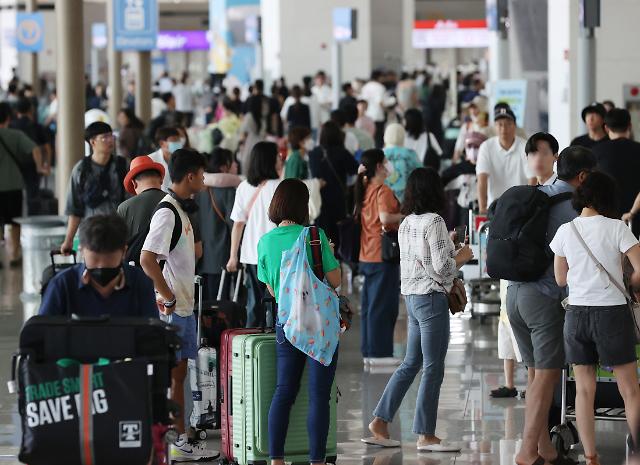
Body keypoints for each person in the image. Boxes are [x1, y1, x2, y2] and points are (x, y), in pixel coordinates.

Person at [364, 167, 473, 451]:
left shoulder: (407, 223)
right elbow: (441, 268)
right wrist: (460, 256)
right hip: (431, 301)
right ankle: (425, 434)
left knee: (411, 363)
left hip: (411, 299)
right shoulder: (434, 220)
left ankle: (380, 420)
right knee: (433, 367)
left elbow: (419, 259)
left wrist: (447, 246)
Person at [508, 141, 597, 465]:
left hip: (515, 294)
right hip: (543, 298)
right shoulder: (572, 206)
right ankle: (526, 451)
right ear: (584, 176)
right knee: (547, 376)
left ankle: (544, 448)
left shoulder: (539, 194)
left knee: (535, 375)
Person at [550, 171, 640, 465]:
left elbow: (561, 278)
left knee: (584, 390)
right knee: (629, 390)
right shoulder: (617, 228)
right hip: (612, 314)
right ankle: (637, 453)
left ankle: (591, 457)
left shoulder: (566, 230)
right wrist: (630, 283)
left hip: (576, 315)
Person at [256, 178, 341, 465]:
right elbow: (335, 280)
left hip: (287, 323)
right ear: (303, 206)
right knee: (319, 396)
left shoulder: (265, 242)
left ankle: (276, 460)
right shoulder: (314, 237)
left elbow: (272, 289)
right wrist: (327, 251)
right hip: (319, 324)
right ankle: (317, 461)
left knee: (284, 391)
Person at [140, 149, 215, 461]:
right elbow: (146, 259)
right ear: (190, 176)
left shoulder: (180, 211)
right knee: (173, 377)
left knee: (178, 377)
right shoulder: (167, 212)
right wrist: (166, 295)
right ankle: (177, 440)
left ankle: (179, 438)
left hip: (183, 308)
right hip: (172, 311)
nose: (203, 179)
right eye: (201, 173)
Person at [40, 214, 158, 318]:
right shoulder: (62, 285)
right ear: (81, 251)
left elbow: (152, 335)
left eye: (109, 259)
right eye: (95, 259)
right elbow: (41, 335)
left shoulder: (141, 283)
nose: (101, 266)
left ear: (124, 252)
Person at [227, 142, 283, 327]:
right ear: (269, 160)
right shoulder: (282, 186)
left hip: (252, 256)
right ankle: (278, 345)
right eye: (277, 156)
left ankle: (253, 348)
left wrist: (233, 257)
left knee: (254, 304)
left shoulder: (244, 187)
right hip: (278, 256)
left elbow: (238, 225)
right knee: (279, 303)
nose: (280, 159)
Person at [356, 149, 404, 365]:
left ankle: (369, 351)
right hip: (382, 256)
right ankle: (380, 354)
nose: (388, 165)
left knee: (370, 306)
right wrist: (405, 215)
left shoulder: (365, 189)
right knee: (383, 307)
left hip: (366, 254)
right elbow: (385, 217)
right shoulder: (382, 191)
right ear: (378, 166)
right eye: (385, 161)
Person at [60, 122, 128, 254]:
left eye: (111, 136)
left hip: (117, 230)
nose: (110, 141)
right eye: (105, 137)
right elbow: (75, 209)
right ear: (92, 142)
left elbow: (131, 202)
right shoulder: (81, 170)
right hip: (91, 232)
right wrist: (68, 240)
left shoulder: (122, 166)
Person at [0, 101, 45, 265]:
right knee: (14, 222)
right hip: (13, 185)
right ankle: (14, 254)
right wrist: (39, 167)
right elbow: (35, 149)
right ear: (8, 118)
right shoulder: (15, 135)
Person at [197, 147, 240, 301]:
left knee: (206, 305)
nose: (236, 164)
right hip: (222, 257)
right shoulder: (228, 192)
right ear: (223, 167)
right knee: (222, 304)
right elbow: (235, 223)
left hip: (201, 257)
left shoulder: (197, 190)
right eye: (232, 162)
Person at [476, 107, 535, 215]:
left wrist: (528, 206)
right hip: (494, 208)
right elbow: (482, 179)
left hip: (520, 207)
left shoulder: (525, 146)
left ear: (515, 126)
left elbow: (532, 179)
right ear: (494, 127)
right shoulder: (486, 147)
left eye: (508, 124)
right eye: (500, 124)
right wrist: (482, 209)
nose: (504, 128)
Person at [308, 121, 359, 244]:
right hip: (337, 198)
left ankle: (322, 259)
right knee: (337, 233)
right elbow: (355, 170)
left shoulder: (314, 153)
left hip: (318, 198)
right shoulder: (341, 152)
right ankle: (336, 260)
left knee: (321, 233)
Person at [593, 108, 640, 231]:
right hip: (635, 220)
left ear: (606, 128)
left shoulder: (596, 152)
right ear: (629, 125)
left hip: (606, 219)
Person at [10, 97, 52, 215]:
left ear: (16, 111)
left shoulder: (11, 126)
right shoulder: (36, 126)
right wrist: (46, 165)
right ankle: (31, 219)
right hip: (33, 165)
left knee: (14, 194)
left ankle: (15, 220)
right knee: (32, 196)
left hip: (14, 164)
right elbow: (47, 148)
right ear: (31, 110)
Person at [116, 155, 166, 244]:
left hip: (135, 258)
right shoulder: (177, 202)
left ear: (134, 183)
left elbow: (117, 246)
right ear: (161, 180)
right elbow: (197, 250)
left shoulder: (124, 208)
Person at [382, 123, 421, 202]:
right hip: (408, 198)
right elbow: (420, 175)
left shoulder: (379, 154)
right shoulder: (410, 154)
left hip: (383, 199)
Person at [238, 94, 268, 175]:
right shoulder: (262, 118)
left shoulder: (249, 116)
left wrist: (240, 145)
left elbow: (243, 133)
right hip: (261, 144)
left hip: (250, 144)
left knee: (247, 167)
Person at [147, 126, 183, 192]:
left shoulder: (183, 158)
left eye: (178, 140)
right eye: (174, 140)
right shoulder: (151, 160)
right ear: (162, 143)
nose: (178, 142)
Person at [361, 71, 389, 148]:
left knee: (368, 136)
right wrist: (387, 110)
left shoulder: (365, 87)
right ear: (379, 77)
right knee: (378, 138)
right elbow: (380, 102)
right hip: (377, 115)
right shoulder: (380, 87)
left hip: (367, 115)